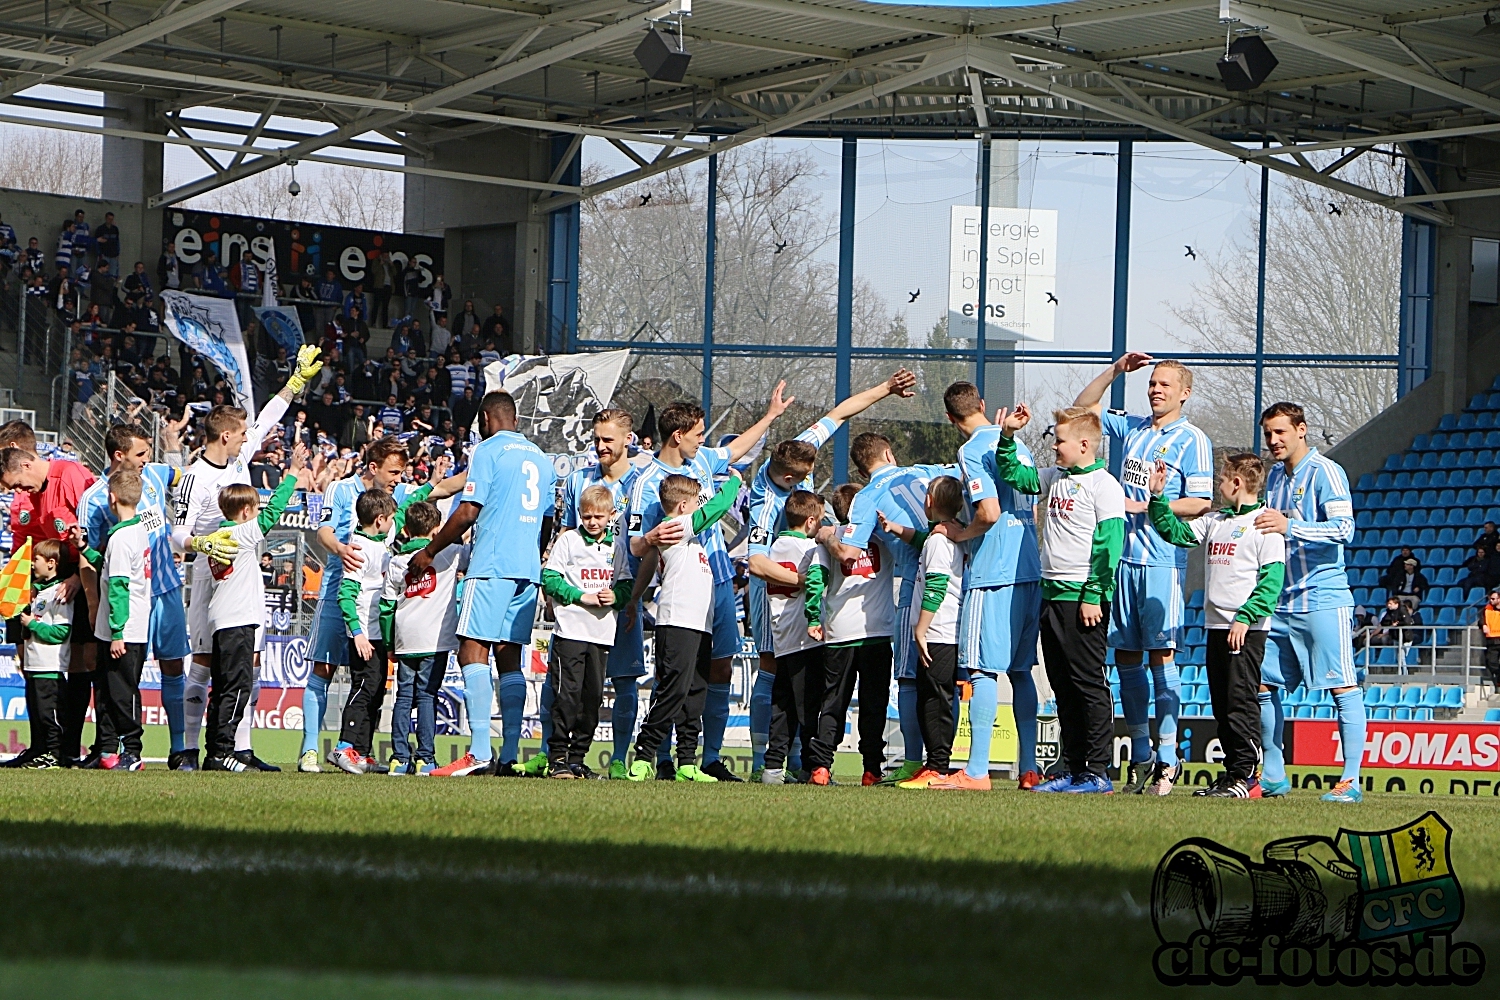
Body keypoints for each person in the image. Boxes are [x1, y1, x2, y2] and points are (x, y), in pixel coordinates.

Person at [743, 371, 915, 781]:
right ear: (789, 479)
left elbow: (839, 413)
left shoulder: (796, 450)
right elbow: (755, 563)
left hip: (826, 606)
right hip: (778, 596)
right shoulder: (767, 506)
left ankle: (806, 762)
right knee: (774, 669)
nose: (810, 479)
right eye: (804, 478)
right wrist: (807, 580)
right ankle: (760, 761)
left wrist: (886, 390)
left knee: (817, 684)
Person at [172, 345, 325, 771]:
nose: (247, 438)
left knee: (248, 666)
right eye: (240, 434)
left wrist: (295, 384)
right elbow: (176, 533)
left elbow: (267, 418)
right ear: (224, 436)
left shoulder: (238, 455)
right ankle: (187, 748)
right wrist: (201, 545)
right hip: (210, 576)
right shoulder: (196, 479)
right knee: (204, 662)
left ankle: (240, 748)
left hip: (245, 569)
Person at [628, 390, 789, 780]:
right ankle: (653, 756)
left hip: (713, 582)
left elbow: (734, 452)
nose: (704, 441)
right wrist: (635, 594)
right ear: (677, 435)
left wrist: (769, 416)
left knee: (711, 674)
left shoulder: (699, 460)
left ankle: (701, 758)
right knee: (674, 682)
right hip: (678, 596)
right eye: (698, 433)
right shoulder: (651, 484)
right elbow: (638, 544)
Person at [1073, 353, 1213, 795]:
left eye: (1165, 385)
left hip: (1160, 562)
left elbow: (1200, 502)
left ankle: (1169, 760)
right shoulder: (1132, 428)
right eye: (1152, 383)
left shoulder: (1192, 440)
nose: (1156, 389)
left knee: (1161, 658)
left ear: (1184, 393)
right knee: (1126, 659)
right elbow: (1081, 411)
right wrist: (1116, 371)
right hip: (1122, 561)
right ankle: (1139, 755)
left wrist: (1148, 505)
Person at [409, 391, 549, 778]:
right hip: (527, 570)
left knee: (472, 649)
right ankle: (509, 756)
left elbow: (469, 510)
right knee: (510, 658)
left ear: (485, 419)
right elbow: (548, 519)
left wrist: (430, 551)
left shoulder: (487, 451)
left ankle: (479, 752)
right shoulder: (542, 458)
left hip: (491, 565)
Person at [992, 403, 1125, 795]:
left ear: (1084, 444)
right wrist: (1007, 437)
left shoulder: (1105, 487)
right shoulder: (1054, 477)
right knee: (1062, 686)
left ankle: (1097, 772)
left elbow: (1108, 547)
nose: (1053, 447)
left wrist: (1093, 595)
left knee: (1088, 684)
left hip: (1083, 599)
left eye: (1060, 440)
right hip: (1051, 594)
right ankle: (1074, 767)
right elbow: (1014, 475)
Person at [922, 382, 1042, 792]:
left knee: (982, 670)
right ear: (983, 406)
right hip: (1029, 567)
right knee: (1021, 672)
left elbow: (988, 513)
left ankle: (975, 772)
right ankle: (1029, 767)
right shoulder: (1017, 443)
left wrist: (960, 535)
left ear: (951, 419)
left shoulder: (971, 450)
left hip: (994, 571)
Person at [1148, 453, 1285, 798]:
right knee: (1222, 705)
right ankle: (1231, 774)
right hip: (1216, 627)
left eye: (1222, 479)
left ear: (1237, 483)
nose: (1218, 486)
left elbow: (1271, 581)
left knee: (1240, 702)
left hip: (1246, 629)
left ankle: (1247, 776)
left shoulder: (1264, 524)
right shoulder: (1216, 520)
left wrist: (1245, 616)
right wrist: (1158, 498)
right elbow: (1175, 533)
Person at [1256, 401, 1365, 803]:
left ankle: (1350, 781)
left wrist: (1291, 526)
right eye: (1269, 433)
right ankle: (1273, 773)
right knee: (1262, 684)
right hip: (1281, 600)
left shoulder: (1326, 472)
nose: (1273, 440)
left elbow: (1343, 528)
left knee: (1342, 687)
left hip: (1323, 596)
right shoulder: (1274, 479)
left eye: (1281, 432)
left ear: (1301, 430)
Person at [530, 410, 645, 780]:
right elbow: (565, 538)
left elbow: (641, 550)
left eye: (608, 440)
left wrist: (627, 597)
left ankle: (617, 758)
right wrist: (563, 591)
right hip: (574, 610)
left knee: (617, 682)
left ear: (628, 439)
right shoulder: (578, 480)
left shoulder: (641, 483)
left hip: (617, 604)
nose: (600, 446)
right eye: (596, 439)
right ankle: (555, 755)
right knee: (563, 687)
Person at [79, 424, 193, 769]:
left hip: (166, 589)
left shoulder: (155, 476)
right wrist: (95, 605)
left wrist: (173, 445)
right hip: (126, 598)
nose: (147, 460)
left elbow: (183, 476)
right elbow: (89, 555)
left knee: (173, 666)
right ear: (119, 455)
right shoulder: (96, 498)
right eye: (141, 453)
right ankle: (111, 749)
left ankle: (179, 750)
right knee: (122, 675)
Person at [626, 471, 746, 782]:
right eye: (693, 502)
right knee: (672, 692)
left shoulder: (690, 539)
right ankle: (643, 755)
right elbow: (715, 509)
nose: (697, 507)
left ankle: (688, 762)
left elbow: (704, 507)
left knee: (695, 693)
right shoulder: (675, 526)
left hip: (699, 625)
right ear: (682, 506)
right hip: (677, 622)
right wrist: (734, 482)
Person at [0, 427, 98, 765]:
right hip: (50, 588)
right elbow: (35, 544)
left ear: (24, 463)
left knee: (80, 663)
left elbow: (92, 528)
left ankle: (68, 746)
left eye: (15, 484)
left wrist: (75, 576)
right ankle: (48, 747)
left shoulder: (69, 474)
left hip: (81, 581)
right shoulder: (35, 494)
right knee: (40, 665)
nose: (16, 492)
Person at [203, 448, 304, 771]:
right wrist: (292, 475)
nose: (259, 513)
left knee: (222, 687)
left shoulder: (218, 534)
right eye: (255, 508)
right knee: (237, 687)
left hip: (222, 619)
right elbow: (274, 512)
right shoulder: (241, 533)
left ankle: (215, 751)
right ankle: (223, 751)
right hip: (237, 620)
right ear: (246, 512)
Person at [540, 484, 633, 779]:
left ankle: (578, 758)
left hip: (601, 633)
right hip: (571, 630)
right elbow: (550, 579)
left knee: (592, 699)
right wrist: (582, 596)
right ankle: (557, 757)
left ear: (611, 516)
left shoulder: (616, 547)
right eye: (587, 516)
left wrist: (615, 596)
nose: (592, 522)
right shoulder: (569, 540)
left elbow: (627, 585)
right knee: (566, 694)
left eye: (598, 517)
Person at [803, 483, 891, 786]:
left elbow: (816, 579)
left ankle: (821, 767)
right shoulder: (881, 537)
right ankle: (871, 770)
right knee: (873, 704)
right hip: (876, 632)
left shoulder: (830, 539)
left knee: (833, 703)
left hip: (840, 633)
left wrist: (813, 616)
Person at [380, 501, 468, 776]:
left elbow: (386, 606)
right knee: (428, 695)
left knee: (404, 697)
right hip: (435, 639)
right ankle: (425, 758)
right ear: (437, 530)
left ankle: (398, 758)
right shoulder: (451, 554)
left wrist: (388, 643)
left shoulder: (395, 562)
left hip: (405, 638)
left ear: (405, 530)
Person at [895, 476, 965, 789]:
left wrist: (920, 629)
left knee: (935, 701)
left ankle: (938, 767)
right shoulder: (947, 535)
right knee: (932, 698)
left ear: (930, 501)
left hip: (938, 631)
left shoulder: (939, 541)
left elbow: (936, 585)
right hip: (942, 631)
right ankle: (934, 764)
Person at [80, 469, 151, 771]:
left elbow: (120, 587)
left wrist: (118, 631)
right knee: (106, 691)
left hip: (125, 630)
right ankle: (107, 749)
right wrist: (84, 549)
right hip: (114, 629)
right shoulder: (133, 531)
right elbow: (110, 570)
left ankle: (132, 751)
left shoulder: (123, 537)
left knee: (123, 692)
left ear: (111, 498)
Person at [758, 489, 828, 785]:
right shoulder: (810, 549)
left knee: (783, 703)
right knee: (810, 707)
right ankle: (812, 769)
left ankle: (773, 767)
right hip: (807, 636)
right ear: (811, 521)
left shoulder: (774, 547)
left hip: (782, 635)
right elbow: (814, 582)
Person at [16, 539, 74, 768]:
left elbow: (61, 632)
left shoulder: (59, 594)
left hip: (49, 667)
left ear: (51, 563)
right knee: (37, 715)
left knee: (49, 716)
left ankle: (55, 754)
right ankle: (38, 749)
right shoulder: (39, 592)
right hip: (34, 665)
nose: (32, 564)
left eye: (36, 559)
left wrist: (32, 625)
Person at [1481, 589, 1500, 690]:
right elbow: (1481, 620)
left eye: (1493, 599)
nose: (1491, 601)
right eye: (1490, 599)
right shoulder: (1487, 609)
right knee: (1491, 662)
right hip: (1491, 640)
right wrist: (1483, 625)